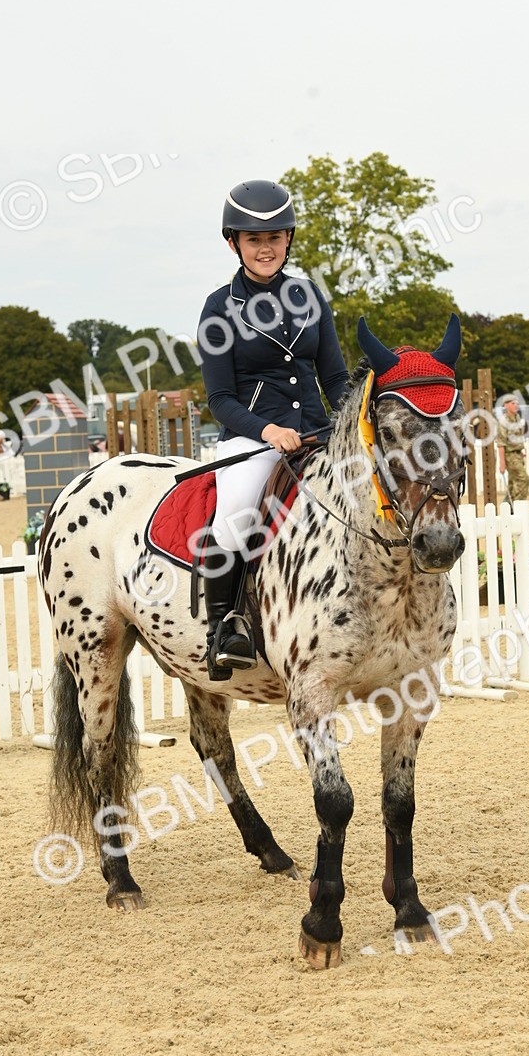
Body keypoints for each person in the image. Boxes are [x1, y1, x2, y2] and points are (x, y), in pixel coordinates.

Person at [197, 179, 350, 680]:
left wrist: (347, 426)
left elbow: (333, 378)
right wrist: (267, 432)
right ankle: (224, 629)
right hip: (253, 438)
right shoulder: (220, 308)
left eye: (275, 238)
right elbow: (220, 400)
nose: (265, 248)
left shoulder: (310, 298)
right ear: (233, 243)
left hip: (317, 432)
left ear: (288, 240)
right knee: (236, 515)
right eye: (253, 239)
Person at [496, 395, 529, 501]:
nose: (516, 406)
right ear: (506, 405)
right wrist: (502, 463)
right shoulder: (503, 421)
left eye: (517, 403)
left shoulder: (517, 418)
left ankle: (507, 508)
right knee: (524, 479)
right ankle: (518, 505)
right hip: (510, 456)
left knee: (512, 484)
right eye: (513, 403)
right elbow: (501, 443)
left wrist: (520, 451)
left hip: (518, 454)